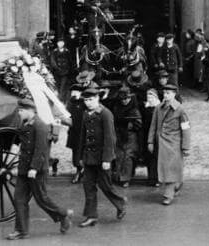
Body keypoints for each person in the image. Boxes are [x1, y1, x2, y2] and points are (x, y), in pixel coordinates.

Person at [7, 98, 73, 240]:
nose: (19, 113)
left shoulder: (40, 126)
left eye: (21, 111)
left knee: (41, 199)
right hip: (24, 169)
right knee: (19, 199)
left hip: (35, 169)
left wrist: (34, 168)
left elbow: (41, 150)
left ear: (30, 111)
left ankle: (63, 214)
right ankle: (21, 230)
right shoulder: (25, 124)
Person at [73, 83, 127, 228]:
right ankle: (91, 216)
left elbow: (110, 138)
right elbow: (82, 137)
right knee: (88, 186)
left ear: (97, 98)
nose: (88, 103)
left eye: (90, 100)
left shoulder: (105, 114)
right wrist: (80, 156)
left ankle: (120, 203)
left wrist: (107, 159)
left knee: (105, 185)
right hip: (89, 157)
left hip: (102, 158)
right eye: (85, 100)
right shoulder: (85, 114)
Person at [148, 84, 191, 205]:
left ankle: (168, 194)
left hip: (174, 144)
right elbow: (153, 125)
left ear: (174, 94)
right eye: (164, 93)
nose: (165, 96)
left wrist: (185, 147)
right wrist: (150, 141)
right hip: (161, 144)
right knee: (166, 168)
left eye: (168, 93)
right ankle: (177, 182)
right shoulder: (158, 108)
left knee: (170, 169)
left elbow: (186, 129)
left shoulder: (180, 109)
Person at [113, 85, 142, 188]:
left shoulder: (134, 109)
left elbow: (138, 124)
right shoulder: (117, 108)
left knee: (128, 157)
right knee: (119, 156)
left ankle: (126, 178)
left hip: (130, 136)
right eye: (123, 99)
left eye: (127, 98)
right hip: (119, 135)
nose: (125, 101)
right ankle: (118, 176)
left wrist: (130, 125)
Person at [66, 83, 86, 184]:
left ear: (80, 92)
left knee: (81, 153)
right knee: (75, 152)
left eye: (75, 91)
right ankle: (79, 169)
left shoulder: (84, 102)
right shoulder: (71, 102)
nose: (73, 94)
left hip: (83, 132)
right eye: (72, 92)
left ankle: (80, 171)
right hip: (74, 131)